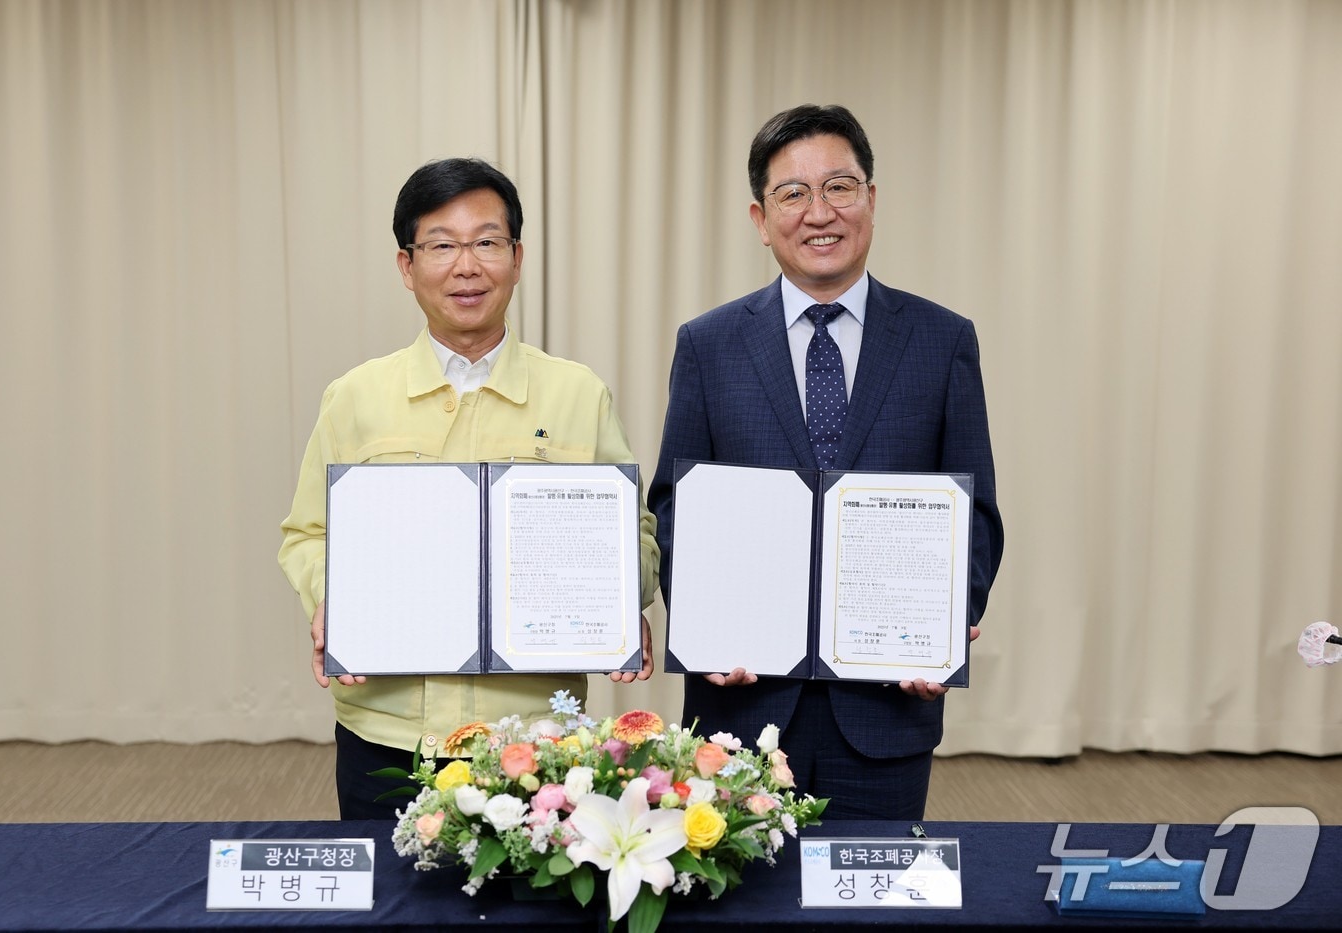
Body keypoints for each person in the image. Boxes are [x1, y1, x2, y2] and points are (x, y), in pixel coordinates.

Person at [647, 104, 1004, 820]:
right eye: (793, 193)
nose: (820, 212)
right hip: (739, 711)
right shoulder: (708, 345)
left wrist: (941, 625)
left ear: (872, 199)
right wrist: (704, 627)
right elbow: (674, 506)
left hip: (884, 711)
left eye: (840, 186)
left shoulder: (942, 340)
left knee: (869, 899)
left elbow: (978, 518)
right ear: (759, 217)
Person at [279, 157, 660, 820]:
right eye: (442, 245)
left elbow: (634, 534)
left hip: (536, 732)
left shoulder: (576, 393)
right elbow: (308, 534)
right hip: (388, 728)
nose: (467, 265)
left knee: (530, 917)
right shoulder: (355, 397)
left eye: (486, 242)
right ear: (407, 265)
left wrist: (624, 595)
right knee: (390, 914)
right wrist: (327, 597)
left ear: (516, 257)